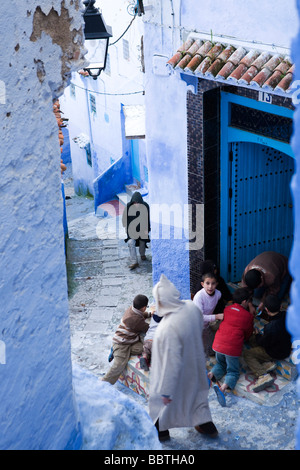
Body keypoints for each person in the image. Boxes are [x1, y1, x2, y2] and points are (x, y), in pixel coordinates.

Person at [149, 274, 218, 442]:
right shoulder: (191, 306)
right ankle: (207, 427)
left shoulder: (167, 328)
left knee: (160, 405)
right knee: (197, 401)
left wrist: (165, 390)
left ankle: (162, 433)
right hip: (196, 366)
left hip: (178, 375)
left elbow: (170, 365)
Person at [208, 287, 255, 397]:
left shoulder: (227, 309)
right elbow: (248, 334)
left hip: (217, 345)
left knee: (221, 363)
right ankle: (223, 388)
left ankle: (210, 375)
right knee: (233, 371)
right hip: (231, 349)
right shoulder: (248, 316)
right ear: (244, 302)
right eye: (249, 301)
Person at [243, 294, 292, 393]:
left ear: (266, 310)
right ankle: (267, 364)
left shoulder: (270, 328)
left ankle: (263, 375)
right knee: (255, 339)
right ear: (281, 307)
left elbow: (262, 343)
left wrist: (257, 335)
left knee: (247, 353)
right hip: (287, 348)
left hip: (275, 352)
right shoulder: (287, 315)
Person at [102, 294, 151, 385]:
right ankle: (104, 382)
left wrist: (149, 314)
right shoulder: (136, 321)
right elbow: (148, 328)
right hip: (121, 343)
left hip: (129, 340)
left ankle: (117, 352)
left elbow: (140, 315)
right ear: (144, 307)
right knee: (119, 365)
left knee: (142, 348)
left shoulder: (131, 309)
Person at [193, 272, 224, 357]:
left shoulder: (218, 294)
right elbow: (199, 317)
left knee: (210, 346)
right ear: (202, 284)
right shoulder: (199, 297)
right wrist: (217, 316)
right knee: (200, 349)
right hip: (196, 325)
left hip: (206, 325)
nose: (210, 287)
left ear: (216, 284)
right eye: (207, 283)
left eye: (213, 283)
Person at [122, 192, 151, 270]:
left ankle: (142, 254)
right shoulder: (128, 207)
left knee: (143, 240)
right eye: (135, 202)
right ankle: (134, 262)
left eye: (138, 202)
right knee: (131, 242)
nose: (136, 204)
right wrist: (126, 228)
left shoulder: (145, 206)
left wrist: (147, 229)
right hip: (131, 229)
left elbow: (147, 219)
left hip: (142, 228)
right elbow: (124, 219)